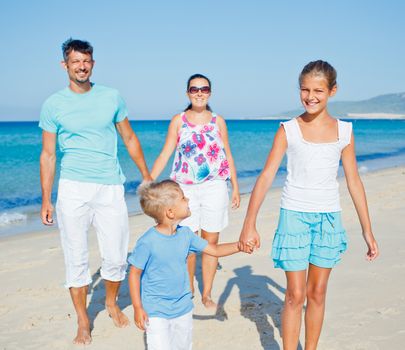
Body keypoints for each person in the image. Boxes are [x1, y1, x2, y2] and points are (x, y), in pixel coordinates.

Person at [239, 60, 379, 349]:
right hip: (294, 217)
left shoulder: (345, 131)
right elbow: (266, 176)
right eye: (304, 90)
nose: (310, 96)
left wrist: (367, 229)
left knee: (317, 293)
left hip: (328, 218)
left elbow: (354, 181)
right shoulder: (288, 129)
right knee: (295, 295)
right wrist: (249, 223)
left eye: (318, 90)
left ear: (332, 91)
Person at [39, 38, 151, 345]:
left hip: (110, 186)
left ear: (93, 63)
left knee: (115, 256)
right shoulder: (53, 104)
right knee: (76, 258)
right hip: (73, 188)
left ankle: (111, 302)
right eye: (75, 61)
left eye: (86, 61)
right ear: (65, 65)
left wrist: (146, 176)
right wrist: (47, 198)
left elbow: (128, 138)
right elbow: (48, 155)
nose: (81, 66)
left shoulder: (111, 97)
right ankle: (83, 319)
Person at [150, 74, 240, 309]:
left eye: (204, 88)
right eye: (194, 89)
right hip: (185, 189)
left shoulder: (218, 121)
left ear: (210, 92)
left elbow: (228, 155)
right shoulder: (178, 121)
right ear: (187, 92)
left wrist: (236, 188)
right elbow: (166, 152)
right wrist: (149, 180)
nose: (199, 92)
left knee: (211, 239)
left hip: (215, 186)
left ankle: (207, 293)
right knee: (187, 242)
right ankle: (188, 288)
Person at [128, 180, 250, 350]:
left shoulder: (186, 235)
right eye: (183, 198)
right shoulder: (147, 242)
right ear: (170, 212)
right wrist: (137, 307)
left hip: (183, 307)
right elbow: (134, 273)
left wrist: (239, 246)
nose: (188, 200)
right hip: (156, 309)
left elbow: (213, 250)